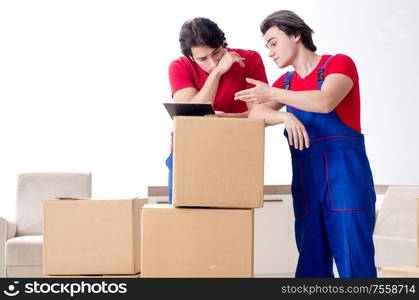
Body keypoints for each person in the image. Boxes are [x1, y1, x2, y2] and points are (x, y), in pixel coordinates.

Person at [234, 10, 376, 278]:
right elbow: (255, 114)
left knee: (355, 268)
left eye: (273, 42)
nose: (270, 52)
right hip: (307, 187)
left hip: (346, 183)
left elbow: (325, 101)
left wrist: (272, 94)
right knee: (311, 269)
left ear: (296, 34)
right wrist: (284, 115)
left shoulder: (338, 64)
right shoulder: (287, 82)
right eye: (266, 46)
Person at [166, 17, 268, 204]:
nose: (212, 62)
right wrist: (218, 72)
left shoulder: (250, 60)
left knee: (232, 226)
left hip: (235, 150)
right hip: (189, 152)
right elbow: (190, 116)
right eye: (203, 59)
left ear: (223, 44)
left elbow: (260, 117)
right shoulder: (179, 67)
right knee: (186, 224)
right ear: (190, 57)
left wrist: (224, 118)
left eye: (217, 53)